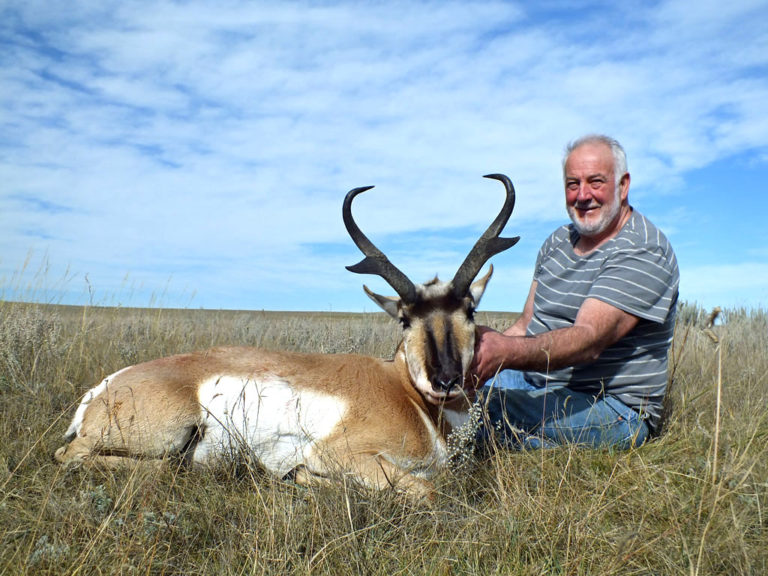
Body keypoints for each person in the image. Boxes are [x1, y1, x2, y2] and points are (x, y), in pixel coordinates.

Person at [472, 134, 679, 449]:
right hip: (535, 380)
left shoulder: (643, 249)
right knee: (443, 390)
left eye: (595, 182)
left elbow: (589, 340)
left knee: (475, 410)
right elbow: (527, 324)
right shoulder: (557, 242)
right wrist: (477, 358)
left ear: (623, 185)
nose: (582, 195)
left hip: (611, 407)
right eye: (572, 184)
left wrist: (503, 352)